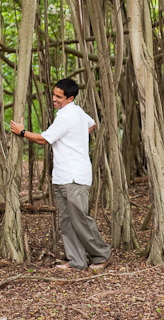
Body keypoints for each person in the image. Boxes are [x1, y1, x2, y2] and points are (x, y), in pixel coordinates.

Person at [11, 78, 111, 270]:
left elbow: (43, 140)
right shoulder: (76, 112)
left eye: (59, 96)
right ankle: (77, 261)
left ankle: (101, 255)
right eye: (54, 94)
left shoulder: (68, 116)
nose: (54, 99)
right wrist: (77, 139)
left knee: (80, 219)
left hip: (75, 177)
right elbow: (91, 125)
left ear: (70, 98)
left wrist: (22, 132)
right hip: (62, 176)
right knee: (66, 221)